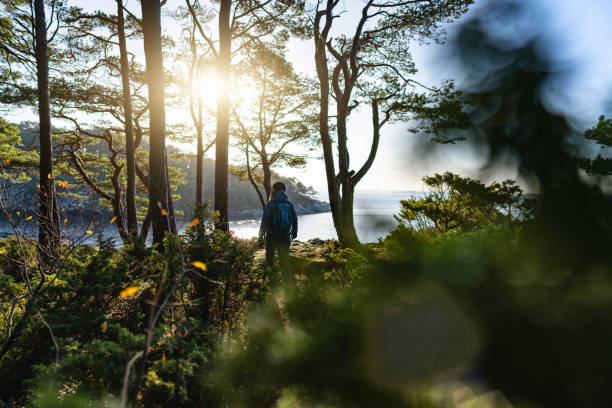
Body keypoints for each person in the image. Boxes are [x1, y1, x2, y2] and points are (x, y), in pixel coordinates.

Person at [258, 181, 298, 285]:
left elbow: (265, 221)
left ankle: (271, 284)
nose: (271, 189)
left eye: (272, 188)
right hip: (285, 236)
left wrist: (260, 236)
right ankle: (288, 286)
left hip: (272, 236)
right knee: (284, 261)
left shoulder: (271, 204)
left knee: (270, 260)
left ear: (275, 190)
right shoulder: (289, 204)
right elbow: (294, 219)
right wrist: (294, 232)